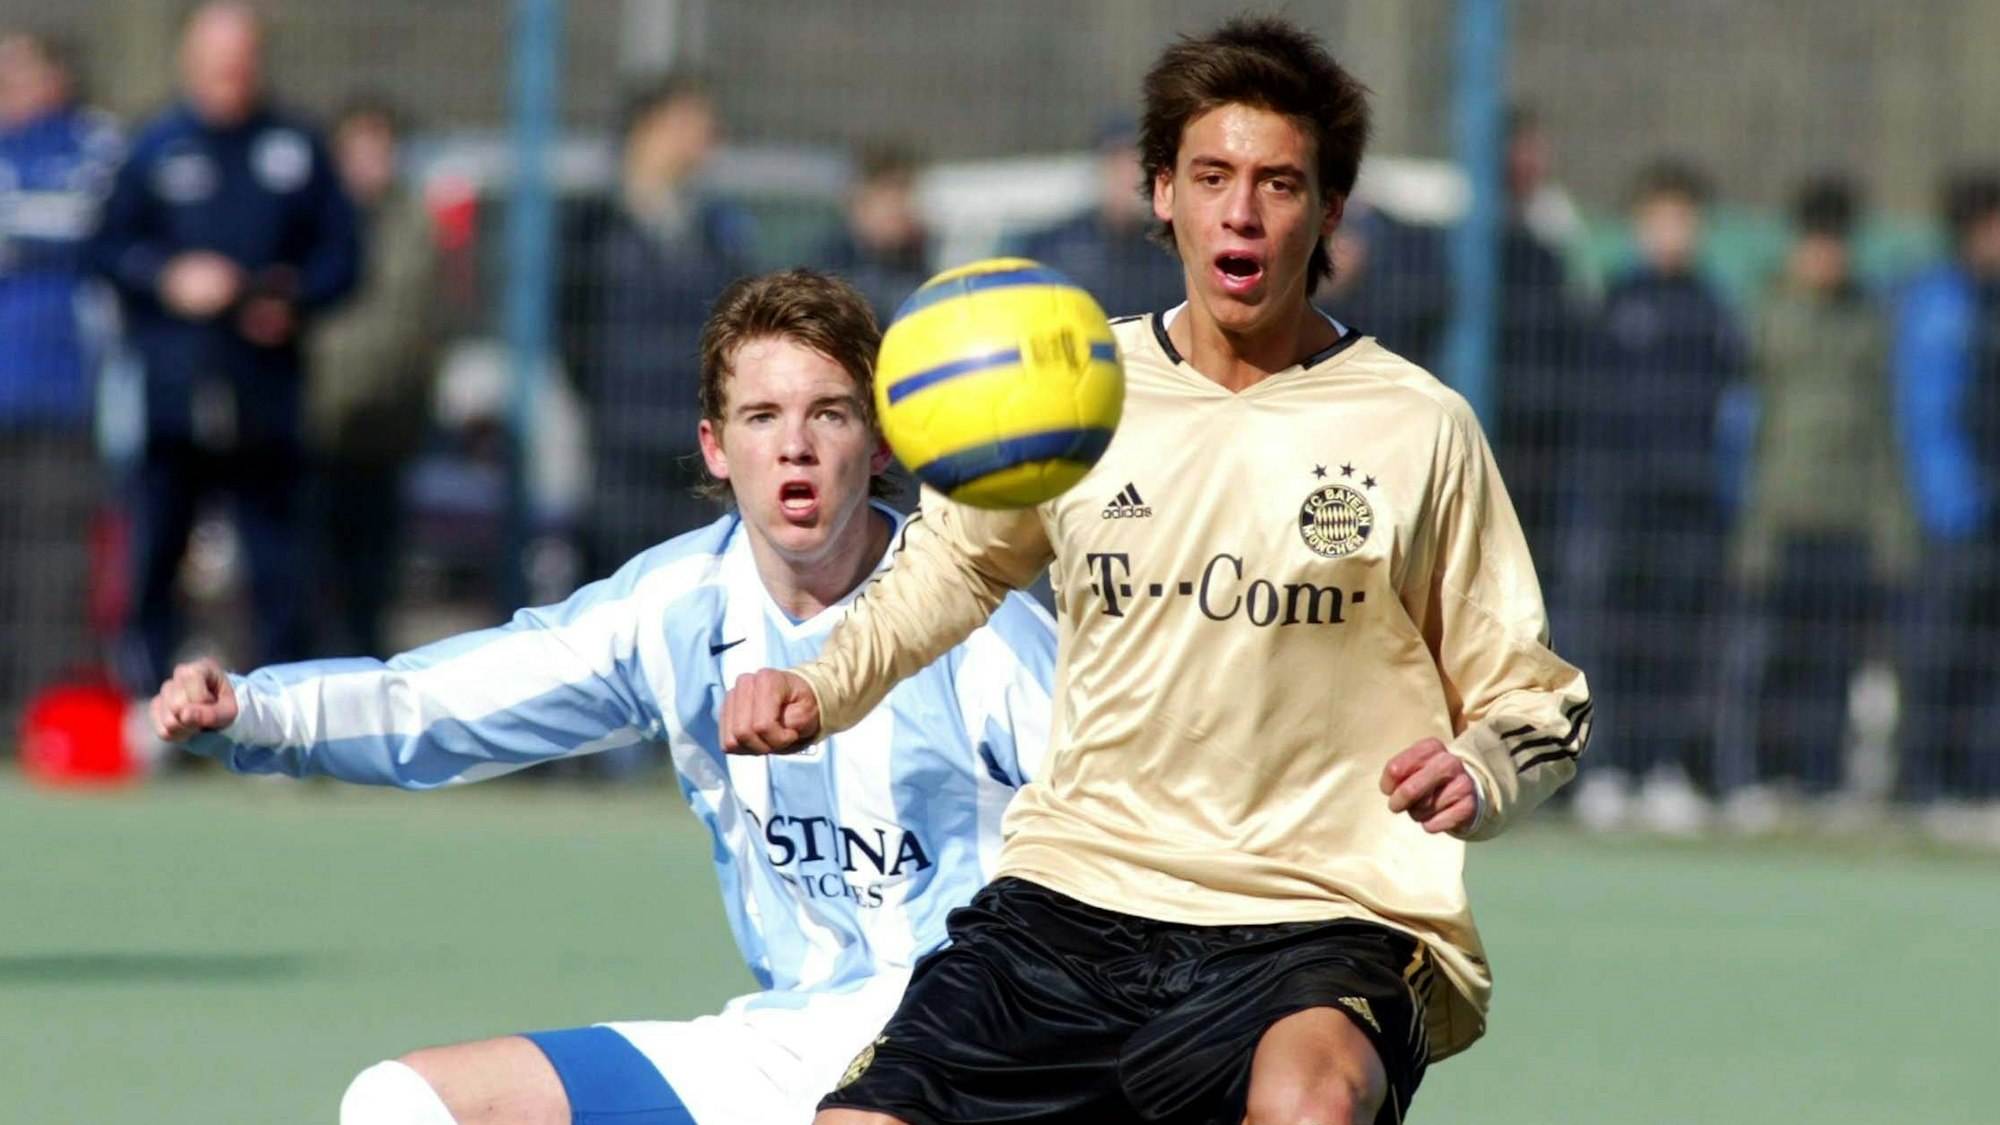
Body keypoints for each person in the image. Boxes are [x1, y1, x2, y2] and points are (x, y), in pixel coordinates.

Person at [724, 18, 1590, 1125]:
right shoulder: (1077, 390)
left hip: (1321, 915)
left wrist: (1481, 768)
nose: (1242, 212)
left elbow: (1539, 700)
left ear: (1329, 211)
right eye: (1211, 177)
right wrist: (821, 683)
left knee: (1311, 1104)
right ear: (1162, 194)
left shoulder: (1417, 426)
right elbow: (951, 567)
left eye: (1279, 183)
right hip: (1075, 893)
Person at [147, 269, 1057, 1125]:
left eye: (829, 412)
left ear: (882, 439)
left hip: (985, 1051)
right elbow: (442, 701)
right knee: (405, 1101)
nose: (796, 445)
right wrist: (259, 713)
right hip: (794, 1039)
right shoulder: (677, 607)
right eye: (762, 415)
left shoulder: (985, 629)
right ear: (716, 445)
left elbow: (1127, 844)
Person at [87, 2, 359, 697]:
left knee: (277, 560)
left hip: (265, 393)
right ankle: (149, 703)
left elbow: (344, 256)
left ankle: (279, 706)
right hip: (172, 392)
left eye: (239, 61)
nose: (227, 75)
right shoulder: (155, 145)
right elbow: (107, 250)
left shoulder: (296, 147)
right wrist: (168, 278)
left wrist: (293, 297)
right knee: (156, 552)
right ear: (190, 61)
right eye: (215, 61)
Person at [1713, 176, 1912, 828]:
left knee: (1834, 661)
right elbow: (1740, 426)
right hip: (1779, 518)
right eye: (1819, 242)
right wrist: (1748, 522)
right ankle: (1751, 776)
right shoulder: (1765, 314)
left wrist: (1890, 524)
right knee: (1767, 656)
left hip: (1847, 518)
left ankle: (1822, 779)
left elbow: (1882, 429)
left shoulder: (1868, 319)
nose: (1830, 256)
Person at [1567, 159, 1743, 836]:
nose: (1672, 233)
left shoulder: (1713, 309)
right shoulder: (1615, 303)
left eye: (1684, 221)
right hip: (1620, 498)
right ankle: (1606, 768)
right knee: (1613, 635)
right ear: (1639, 226)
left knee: (1678, 640)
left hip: (1689, 502)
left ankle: (1665, 767)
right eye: (1660, 220)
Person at [561, 73, 755, 578]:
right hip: (623, 445)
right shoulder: (594, 228)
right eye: (691, 124)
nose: (706, 140)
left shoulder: (717, 231)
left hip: (693, 444)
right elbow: (570, 331)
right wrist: (604, 403)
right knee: (618, 580)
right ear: (649, 129)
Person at [0, 30, 121, 732]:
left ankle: (39, 711)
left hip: (62, 393)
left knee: (50, 560)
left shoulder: (92, 142)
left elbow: (88, 222)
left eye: (17, 71)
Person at [305, 95, 441, 658]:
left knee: (372, 578)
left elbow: (427, 322)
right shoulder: (312, 218)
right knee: (312, 574)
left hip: (387, 428)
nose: (370, 163)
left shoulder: (414, 223)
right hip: (316, 426)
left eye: (380, 149)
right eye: (357, 149)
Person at [1894, 170, 2000, 835]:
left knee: (1987, 652)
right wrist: (1954, 498)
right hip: (1954, 514)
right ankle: (1921, 781)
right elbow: (1927, 414)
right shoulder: (1938, 304)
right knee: (1939, 647)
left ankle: (1978, 781)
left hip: (1989, 509)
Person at [1012, 117, 1186, 319]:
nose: (1126, 177)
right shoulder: (1054, 249)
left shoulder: (1170, 254)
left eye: (1135, 165)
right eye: (1116, 165)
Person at [816, 141, 932, 324]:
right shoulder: (828, 271)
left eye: (905, 195)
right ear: (860, 200)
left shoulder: (913, 263)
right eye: (890, 195)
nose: (902, 208)